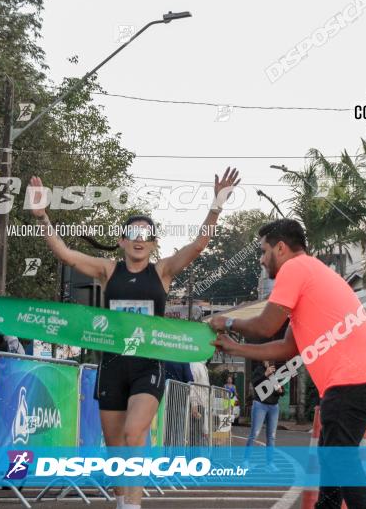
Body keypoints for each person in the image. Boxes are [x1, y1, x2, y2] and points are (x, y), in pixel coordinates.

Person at [30, 168, 239, 509]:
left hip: (148, 367)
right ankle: (123, 501)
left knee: (134, 433)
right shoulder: (108, 270)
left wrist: (216, 205)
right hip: (112, 365)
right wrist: (42, 217)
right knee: (115, 449)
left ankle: (133, 505)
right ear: (123, 241)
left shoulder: (163, 272)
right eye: (133, 234)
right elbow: (65, 253)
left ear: (153, 242)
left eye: (146, 235)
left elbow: (199, 244)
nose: (139, 240)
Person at [210, 219, 366, 509]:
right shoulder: (311, 272)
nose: (261, 259)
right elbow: (287, 347)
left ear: (280, 248)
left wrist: (227, 321)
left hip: (351, 377)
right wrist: (234, 347)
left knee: (340, 457)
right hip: (360, 375)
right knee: (331, 457)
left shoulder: (295, 268)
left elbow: (266, 325)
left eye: (263, 250)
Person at [243, 360, 283, 470]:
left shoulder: (275, 371)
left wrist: (280, 390)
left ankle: (270, 464)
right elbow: (255, 384)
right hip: (260, 405)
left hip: (274, 406)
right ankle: (246, 461)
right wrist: (265, 374)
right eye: (266, 359)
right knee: (254, 434)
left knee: (271, 436)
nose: (269, 361)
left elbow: (279, 389)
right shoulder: (259, 370)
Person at [188, 359, 210, 447]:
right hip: (197, 406)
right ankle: (195, 459)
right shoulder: (195, 364)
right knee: (195, 437)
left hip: (202, 405)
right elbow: (191, 385)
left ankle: (197, 458)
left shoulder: (202, 366)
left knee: (199, 437)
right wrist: (194, 405)